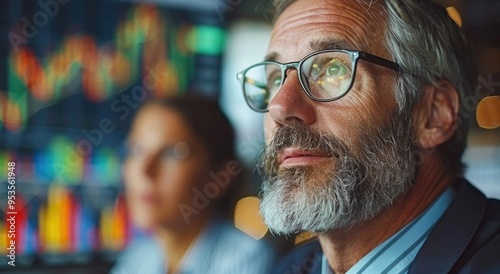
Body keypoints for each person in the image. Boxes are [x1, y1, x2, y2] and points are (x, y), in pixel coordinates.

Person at [236, 0, 500, 273]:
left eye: (333, 69)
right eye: (275, 79)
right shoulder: (287, 268)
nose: (279, 106)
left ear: (433, 115)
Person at [111, 94, 275, 273]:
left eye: (173, 153)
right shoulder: (136, 260)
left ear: (220, 177)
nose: (145, 171)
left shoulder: (248, 263)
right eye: (136, 150)